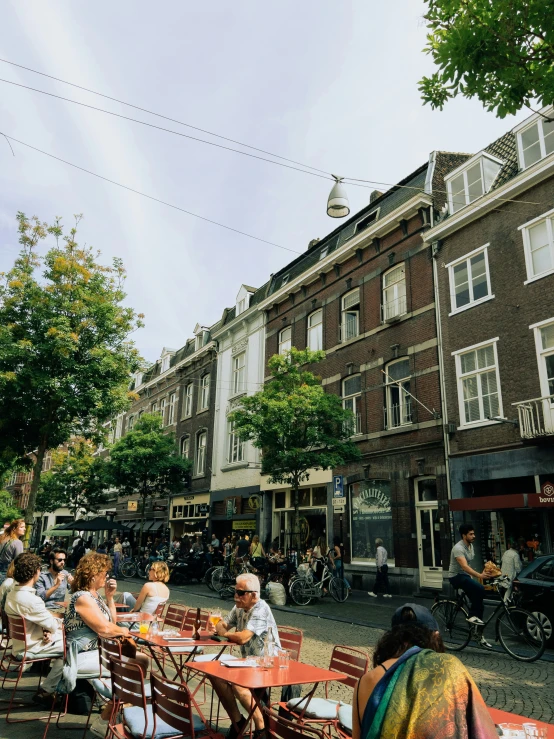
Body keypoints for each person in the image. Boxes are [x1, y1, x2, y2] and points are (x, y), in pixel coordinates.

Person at [352, 603, 497, 739]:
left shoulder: (364, 682)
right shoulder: (447, 667)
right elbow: (480, 727)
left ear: (391, 637)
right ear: (435, 636)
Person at [35, 552, 149, 712]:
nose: (107, 576)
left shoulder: (94, 596)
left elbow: (111, 623)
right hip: (80, 656)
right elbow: (104, 629)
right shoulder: (83, 597)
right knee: (138, 663)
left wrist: (110, 598)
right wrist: (125, 631)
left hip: (95, 651)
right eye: (105, 572)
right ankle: (119, 705)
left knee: (142, 659)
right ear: (93, 574)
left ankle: (118, 701)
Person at [207, 573, 281, 739]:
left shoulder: (261, 609)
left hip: (267, 662)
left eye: (240, 593)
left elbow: (242, 637)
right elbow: (222, 624)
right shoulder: (239, 607)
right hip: (249, 661)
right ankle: (238, 721)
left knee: (237, 683)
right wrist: (224, 629)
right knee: (214, 674)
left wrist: (226, 633)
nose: (236, 596)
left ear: (254, 595)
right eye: (235, 592)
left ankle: (261, 728)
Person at [5, 553, 64, 669]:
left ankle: (45, 675)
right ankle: (50, 685)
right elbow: (52, 625)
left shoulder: (11, 595)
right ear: (36, 572)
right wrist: (56, 623)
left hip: (19, 645)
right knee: (72, 644)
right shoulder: (32, 600)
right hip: (32, 647)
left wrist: (47, 630)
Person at [448, 524, 490, 647]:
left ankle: (478, 634)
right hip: (456, 576)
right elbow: (465, 566)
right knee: (480, 589)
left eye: (473, 533)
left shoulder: (470, 546)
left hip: (465, 576)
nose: (474, 536)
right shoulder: (458, 548)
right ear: (464, 535)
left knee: (480, 602)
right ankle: (471, 616)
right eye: (471, 534)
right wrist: (479, 576)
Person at [116, 561, 170, 628]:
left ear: (156, 572)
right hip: (152, 624)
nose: (148, 571)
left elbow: (136, 608)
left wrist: (133, 611)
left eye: (150, 569)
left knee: (113, 620)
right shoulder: (167, 590)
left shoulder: (148, 586)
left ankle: (109, 611)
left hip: (139, 623)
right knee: (126, 595)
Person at [0, 519, 26, 585]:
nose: (25, 529)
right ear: (14, 528)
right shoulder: (17, 542)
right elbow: (19, 562)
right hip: (7, 574)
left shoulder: (2, 539)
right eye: (22, 527)